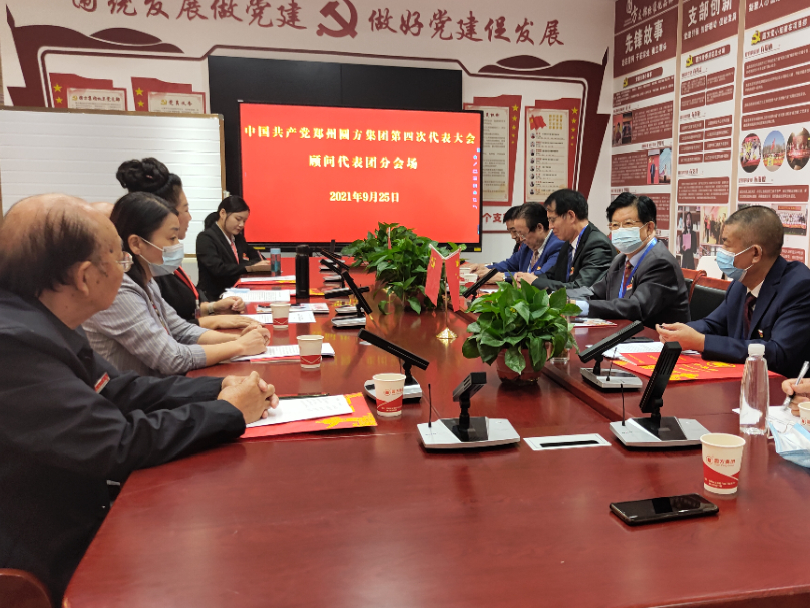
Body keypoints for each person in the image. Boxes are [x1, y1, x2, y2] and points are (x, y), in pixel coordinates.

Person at [0, 194, 279, 604]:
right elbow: (116, 443)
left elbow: (118, 389)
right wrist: (228, 412)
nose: (126, 271)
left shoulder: (44, 322)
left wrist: (218, 388)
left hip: (84, 514)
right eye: (120, 260)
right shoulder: (15, 346)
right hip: (49, 556)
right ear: (84, 277)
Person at [83, 192, 271, 377]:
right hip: (140, 393)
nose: (177, 245)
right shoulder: (119, 290)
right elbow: (171, 358)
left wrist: (238, 339)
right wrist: (239, 346)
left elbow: (180, 330)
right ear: (136, 244)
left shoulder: (146, 280)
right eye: (172, 238)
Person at [657, 205, 810, 377]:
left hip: (781, 387)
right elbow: (713, 325)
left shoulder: (799, 287)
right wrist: (678, 332)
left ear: (755, 253)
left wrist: (701, 342)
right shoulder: (740, 284)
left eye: (726, 244)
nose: (721, 252)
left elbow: (777, 352)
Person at [115, 158, 253, 328]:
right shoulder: (148, 270)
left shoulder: (164, 261)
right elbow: (173, 331)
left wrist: (213, 308)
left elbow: (180, 318)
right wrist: (218, 321)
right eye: (185, 210)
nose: (189, 217)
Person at [576, 193, 689, 328]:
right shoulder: (621, 260)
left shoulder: (660, 262)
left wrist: (580, 307)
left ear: (649, 228)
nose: (620, 230)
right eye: (615, 225)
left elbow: (636, 307)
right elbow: (595, 293)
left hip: (655, 337)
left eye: (628, 224)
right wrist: (561, 298)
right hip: (623, 333)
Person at [513, 189, 614, 295]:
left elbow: (581, 288)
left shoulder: (597, 245)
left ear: (571, 216)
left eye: (552, 220)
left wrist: (535, 282)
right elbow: (552, 275)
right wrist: (527, 278)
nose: (550, 226)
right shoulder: (568, 244)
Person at [196, 195, 272, 300]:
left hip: (237, 293)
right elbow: (219, 269)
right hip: (215, 298)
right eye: (238, 219)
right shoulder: (206, 238)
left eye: (244, 221)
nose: (241, 225)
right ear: (223, 213)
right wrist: (250, 267)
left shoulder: (238, 238)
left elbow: (257, 257)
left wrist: (255, 265)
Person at [467, 203, 563, 283]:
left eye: (523, 234)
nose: (520, 238)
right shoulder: (528, 245)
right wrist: (484, 269)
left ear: (539, 228)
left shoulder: (558, 246)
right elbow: (509, 265)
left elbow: (542, 276)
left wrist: (503, 277)